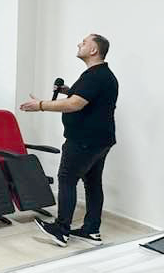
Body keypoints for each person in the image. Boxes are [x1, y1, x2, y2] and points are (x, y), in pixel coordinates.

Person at [21, 33, 118, 247]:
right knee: (93, 183)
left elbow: (75, 104)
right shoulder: (102, 75)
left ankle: (61, 229)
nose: (79, 44)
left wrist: (41, 105)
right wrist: (68, 90)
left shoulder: (95, 76)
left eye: (84, 42)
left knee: (67, 179)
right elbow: (84, 98)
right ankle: (91, 230)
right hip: (100, 140)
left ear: (94, 50)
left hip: (84, 140)